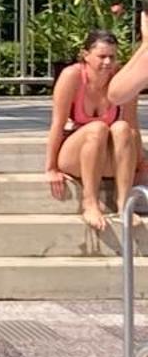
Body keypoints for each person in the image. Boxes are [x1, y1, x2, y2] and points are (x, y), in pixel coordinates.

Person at [45, 29, 143, 232]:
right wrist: (51, 168)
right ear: (86, 55)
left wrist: (140, 161)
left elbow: (132, 124)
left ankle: (124, 202)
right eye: (102, 57)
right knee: (97, 128)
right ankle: (90, 202)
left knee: (122, 128)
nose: (107, 63)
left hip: (106, 153)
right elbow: (58, 123)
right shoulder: (72, 76)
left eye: (112, 57)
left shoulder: (120, 78)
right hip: (77, 152)